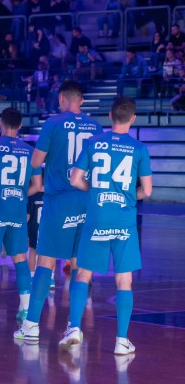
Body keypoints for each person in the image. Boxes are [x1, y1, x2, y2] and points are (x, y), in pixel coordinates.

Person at [59, 97, 152, 356]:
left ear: (110, 116)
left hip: (97, 216)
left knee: (83, 273)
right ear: (133, 119)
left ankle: (74, 328)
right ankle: (121, 340)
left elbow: (75, 178)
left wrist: (95, 191)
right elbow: (147, 190)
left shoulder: (92, 142)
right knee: (124, 279)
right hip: (124, 220)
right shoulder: (139, 148)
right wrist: (127, 197)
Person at [14, 80, 102, 341]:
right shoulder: (95, 126)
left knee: (46, 262)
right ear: (82, 100)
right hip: (86, 198)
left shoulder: (53, 123)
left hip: (59, 199)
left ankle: (31, 325)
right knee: (78, 264)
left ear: (62, 98)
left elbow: (36, 161)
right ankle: (74, 327)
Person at [0, 108, 42, 324]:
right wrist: (20, 194)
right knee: (20, 259)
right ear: (20, 126)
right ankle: (24, 309)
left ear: (0, 124)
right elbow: (38, 186)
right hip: (17, 210)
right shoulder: (30, 150)